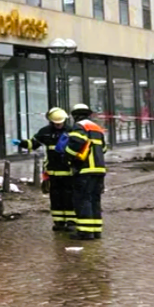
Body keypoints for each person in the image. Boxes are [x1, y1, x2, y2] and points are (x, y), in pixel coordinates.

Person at [13, 108, 74, 231]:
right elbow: (34, 144)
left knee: (69, 196)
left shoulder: (71, 131)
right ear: (51, 121)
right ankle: (59, 222)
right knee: (55, 197)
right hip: (52, 171)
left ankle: (71, 221)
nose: (58, 125)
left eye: (60, 123)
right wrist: (21, 143)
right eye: (56, 123)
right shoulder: (45, 132)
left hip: (68, 171)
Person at [62, 103, 106, 241]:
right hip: (99, 169)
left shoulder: (80, 126)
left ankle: (85, 232)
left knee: (82, 199)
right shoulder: (97, 128)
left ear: (75, 115)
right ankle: (96, 230)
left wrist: (67, 155)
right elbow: (103, 149)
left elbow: (76, 143)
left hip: (85, 169)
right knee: (95, 200)